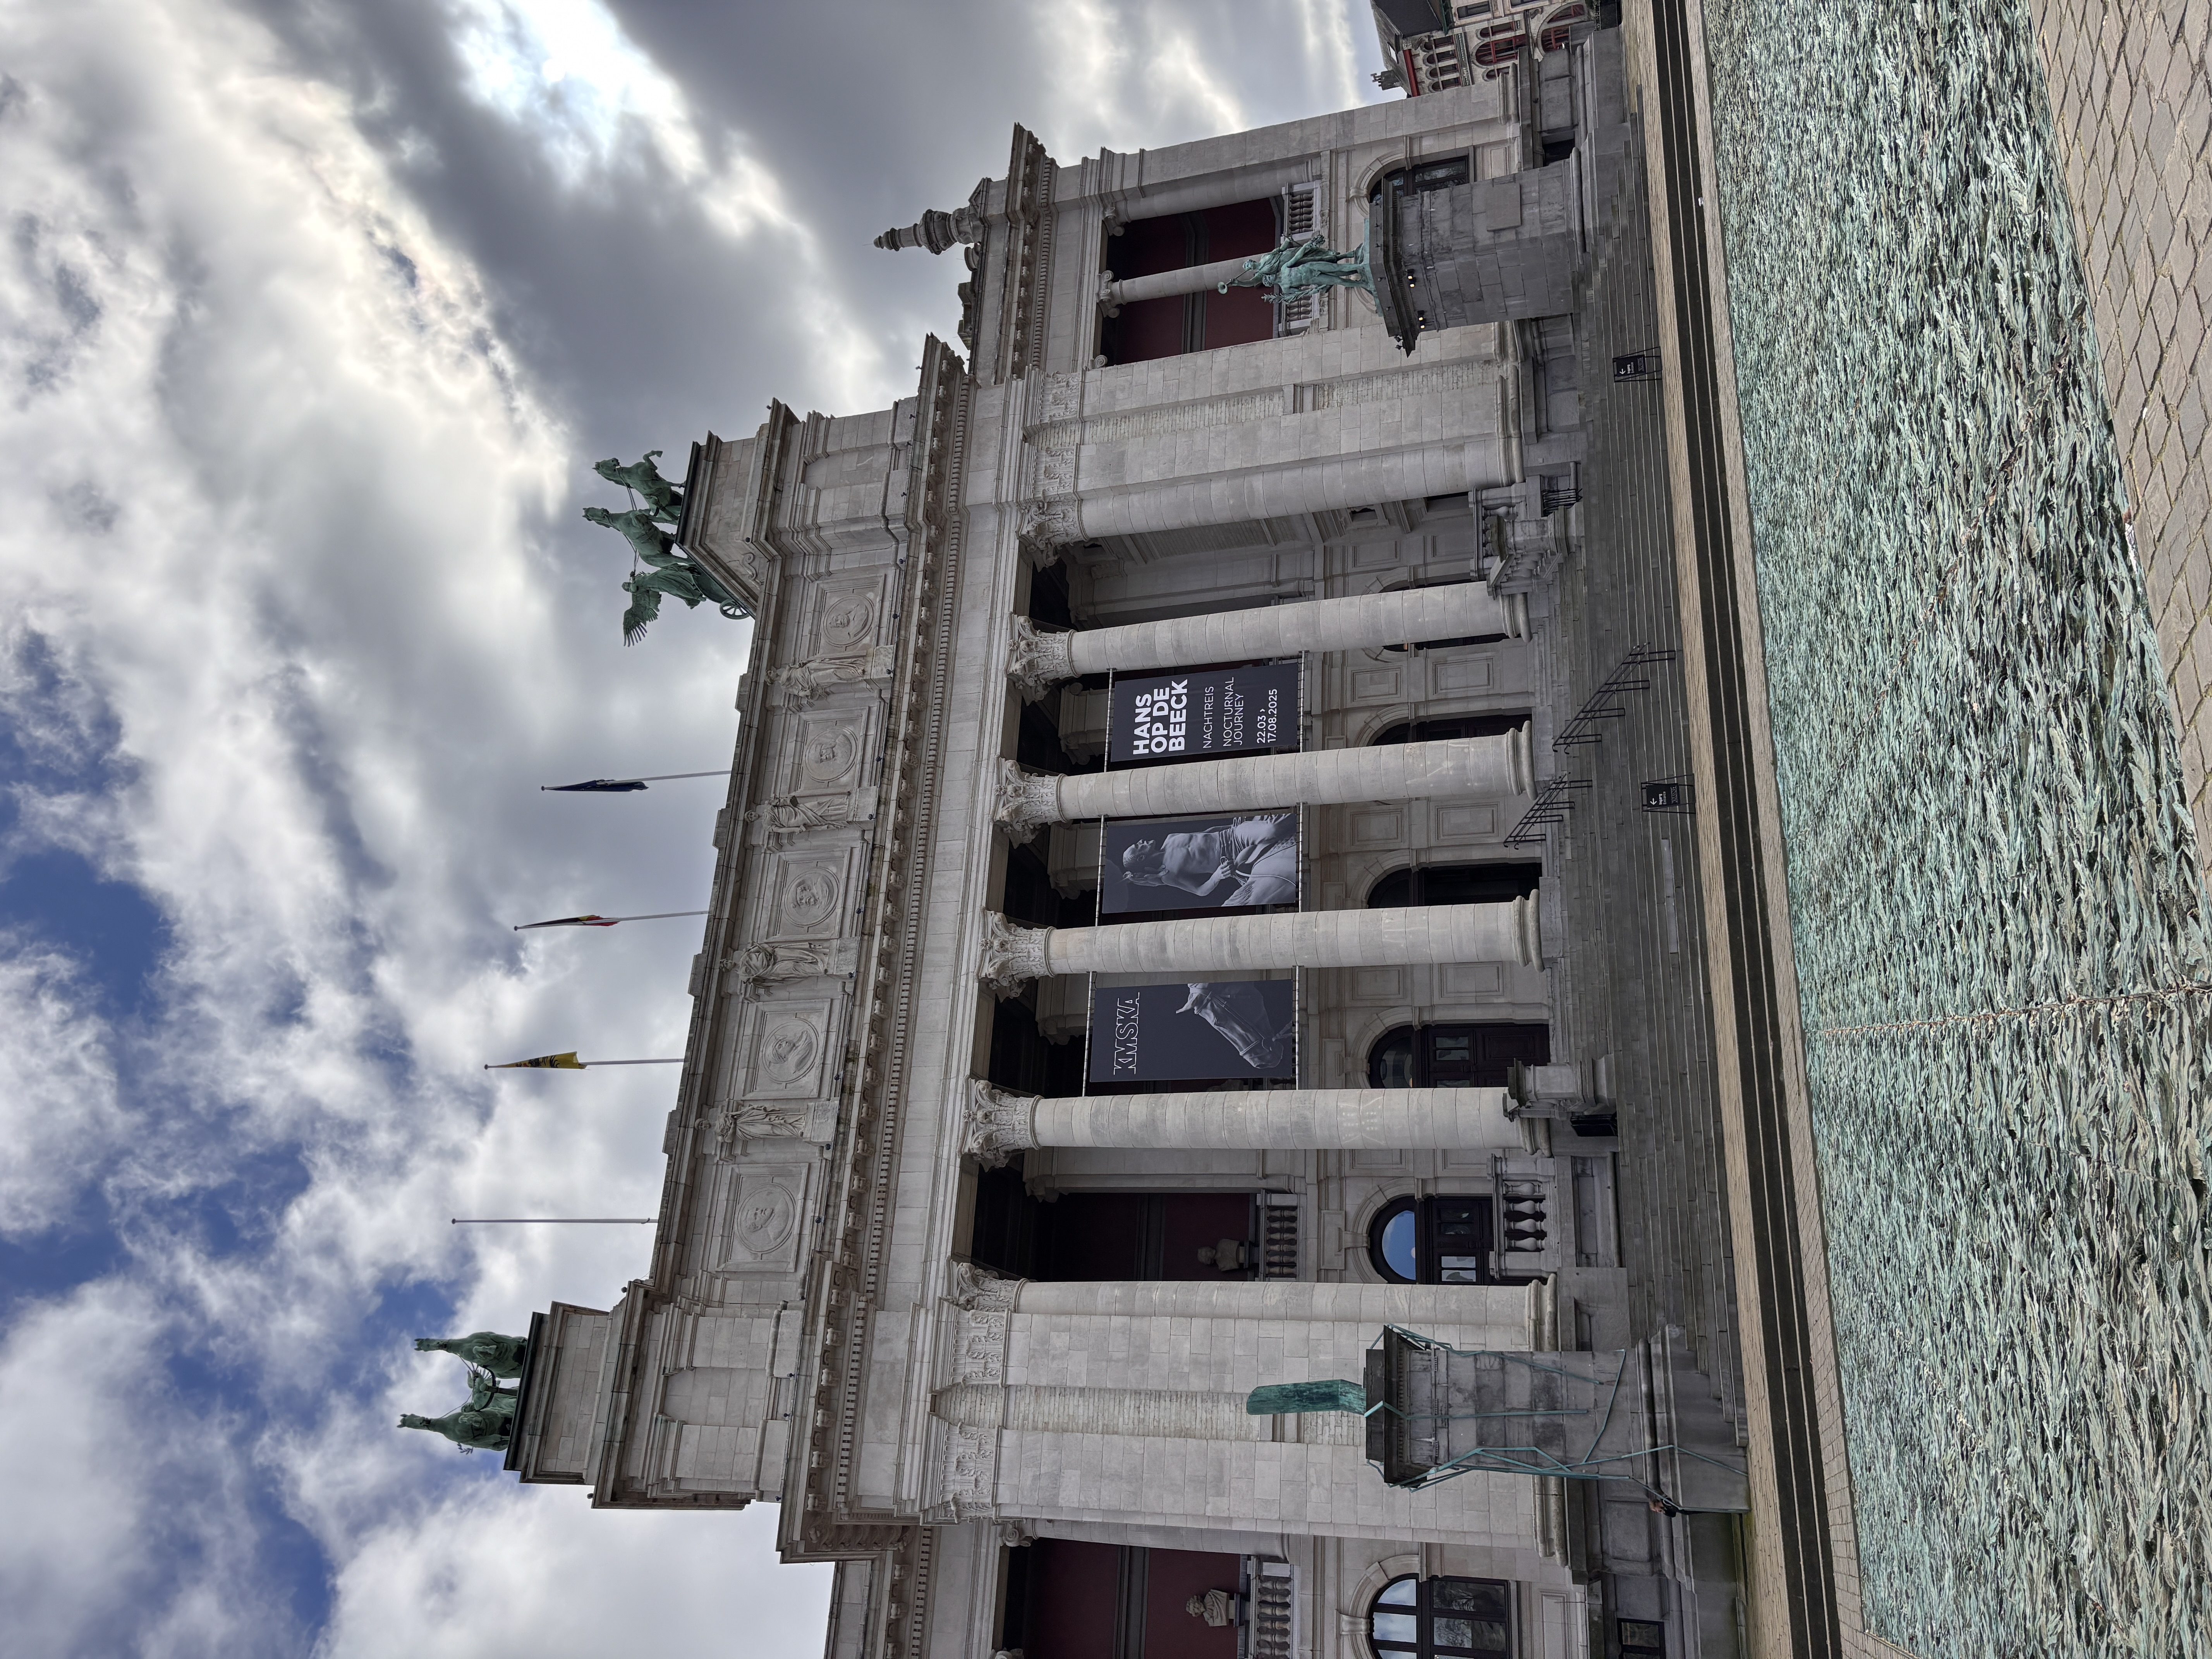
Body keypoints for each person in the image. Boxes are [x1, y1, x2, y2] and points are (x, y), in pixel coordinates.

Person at [1119, 814, 1295, 907]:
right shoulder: (1168, 874)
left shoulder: (1170, 838)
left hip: (1233, 836)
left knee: (1272, 828)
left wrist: (1232, 827)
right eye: (1138, 846)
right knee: (1272, 830)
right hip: (1233, 856)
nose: (1140, 842)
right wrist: (1217, 876)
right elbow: (1200, 891)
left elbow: (1208, 832)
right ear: (1142, 857)